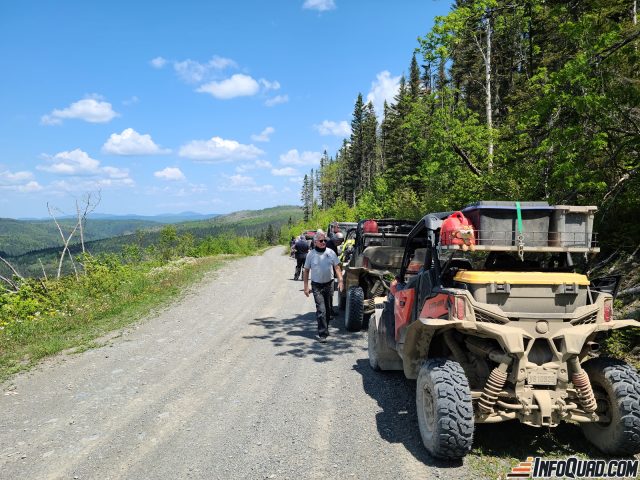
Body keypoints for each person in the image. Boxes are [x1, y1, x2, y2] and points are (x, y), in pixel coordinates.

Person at [303, 231, 343, 342]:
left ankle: (325, 327)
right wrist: (306, 287)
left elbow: (337, 267)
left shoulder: (330, 253)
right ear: (315, 242)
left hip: (329, 284)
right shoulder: (311, 254)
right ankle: (322, 334)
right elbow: (306, 271)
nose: (323, 242)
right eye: (321, 241)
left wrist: (340, 281)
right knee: (321, 310)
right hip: (316, 285)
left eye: (325, 240)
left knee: (328, 309)